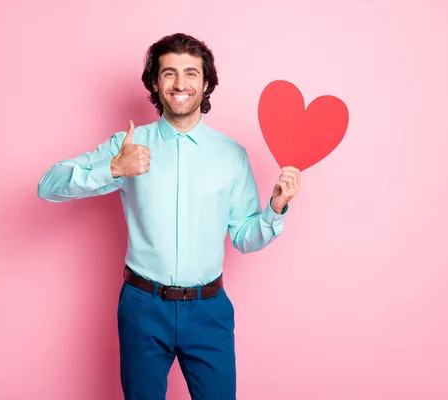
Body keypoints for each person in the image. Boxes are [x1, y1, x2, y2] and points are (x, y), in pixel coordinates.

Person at [37, 32, 300, 400]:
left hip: (209, 310)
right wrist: (113, 168)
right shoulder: (128, 145)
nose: (180, 84)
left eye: (191, 73)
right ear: (155, 83)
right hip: (143, 308)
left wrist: (274, 208)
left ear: (206, 83)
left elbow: (244, 237)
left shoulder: (232, 156)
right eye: (169, 73)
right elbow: (48, 185)